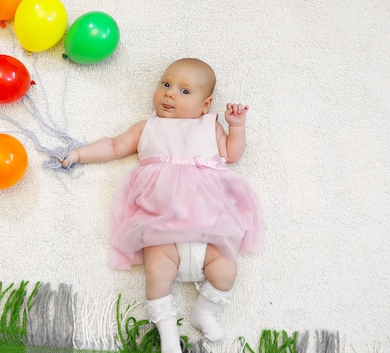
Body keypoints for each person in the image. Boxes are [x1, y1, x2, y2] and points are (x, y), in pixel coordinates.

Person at [61, 58, 263, 353]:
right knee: (157, 272)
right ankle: (167, 330)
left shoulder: (210, 125)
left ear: (205, 105)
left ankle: (204, 312)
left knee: (226, 270)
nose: (170, 94)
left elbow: (231, 154)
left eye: (184, 91)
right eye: (166, 85)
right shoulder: (147, 128)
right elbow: (114, 146)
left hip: (209, 229)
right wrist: (78, 154)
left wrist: (237, 127)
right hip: (161, 227)